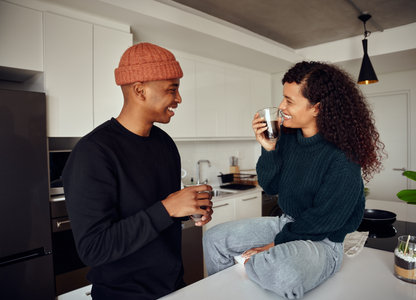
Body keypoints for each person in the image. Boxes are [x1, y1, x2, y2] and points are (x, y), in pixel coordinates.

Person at [202, 61, 385, 299]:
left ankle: (255, 270)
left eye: (289, 101)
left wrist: (276, 245)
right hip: (287, 223)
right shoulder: (287, 137)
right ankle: (226, 291)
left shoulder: (343, 157)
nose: (281, 107)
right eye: (283, 98)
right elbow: (270, 186)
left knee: (282, 270)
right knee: (214, 238)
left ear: (317, 108)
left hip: (324, 240)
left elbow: (324, 220)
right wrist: (268, 149)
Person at [62, 42, 213, 300]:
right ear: (140, 90)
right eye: (172, 89)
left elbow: (154, 213)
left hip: (173, 286)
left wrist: (187, 210)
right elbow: (94, 248)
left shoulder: (165, 144)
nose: (179, 98)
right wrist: (169, 208)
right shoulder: (93, 152)